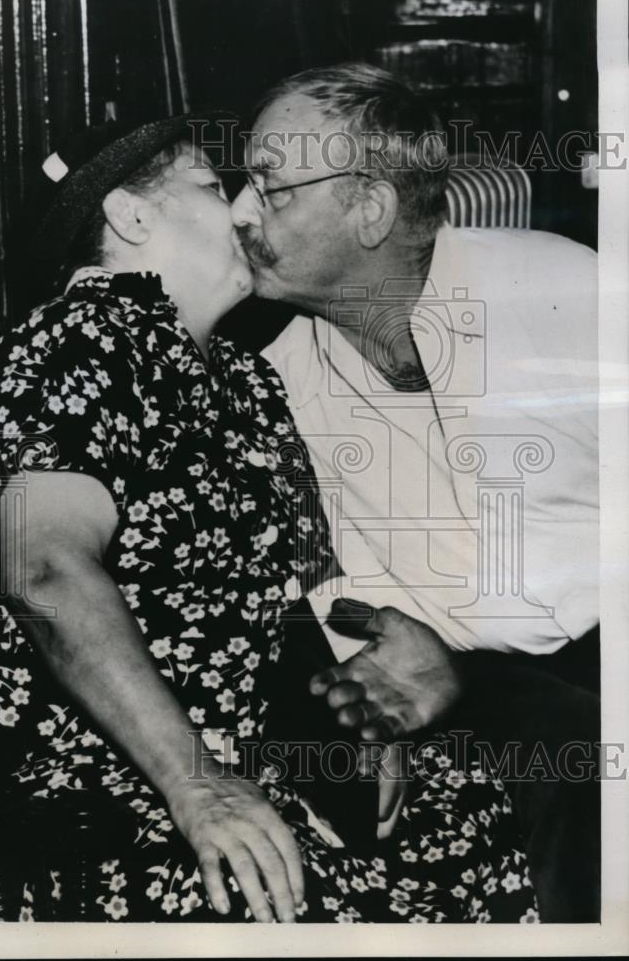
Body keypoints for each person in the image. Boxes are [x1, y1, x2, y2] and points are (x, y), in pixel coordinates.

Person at [0, 114, 538, 923]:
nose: (251, 208)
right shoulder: (70, 348)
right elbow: (41, 572)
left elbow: (304, 596)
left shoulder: (245, 381)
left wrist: (364, 724)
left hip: (257, 761)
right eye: (216, 187)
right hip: (99, 787)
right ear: (131, 217)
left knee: (484, 813)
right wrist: (197, 781)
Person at [230, 62, 600, 922]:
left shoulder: (564, 291)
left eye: (272, 189)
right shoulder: (271, 378)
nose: (241, 214)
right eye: (242, 184)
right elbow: (315, 596)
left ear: (372, 208)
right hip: (458, 692)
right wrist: (369, 716)